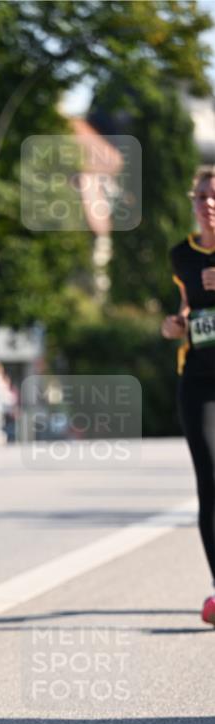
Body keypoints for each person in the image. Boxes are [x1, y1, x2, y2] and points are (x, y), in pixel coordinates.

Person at [161, 165, 215, 625]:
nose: (208, 204)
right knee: (209, 483)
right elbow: (186, 309)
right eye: (201, 196)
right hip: (197, 376)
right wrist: (173, 324)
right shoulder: (182, 255)